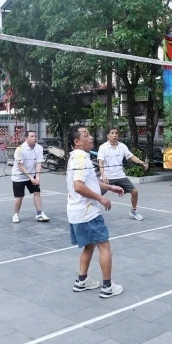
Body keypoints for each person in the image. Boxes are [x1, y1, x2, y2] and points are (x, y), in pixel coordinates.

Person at [66, 125, 124, 299]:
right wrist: (101, 198)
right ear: (77, 141)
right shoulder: (81, 158)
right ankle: (107, 286)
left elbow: (90, 181)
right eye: (86, 135)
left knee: (89, 245)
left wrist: (110, 187)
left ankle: (81, 281)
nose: (90, 137)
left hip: (76, 211)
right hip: (87, 212)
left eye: (90, 134)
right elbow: (79, 186)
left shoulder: (76, 157)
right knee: (104, 246)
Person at [98, 129, 149, 221]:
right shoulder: (103, 147)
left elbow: (132, 157)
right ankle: (89, 212)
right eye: (112, 133)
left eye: (116, 133)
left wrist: (142, 163)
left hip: (120, 176)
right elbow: (101, 163)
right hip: (107, 177)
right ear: (107, 135)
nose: (114, 135)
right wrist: (103, 175)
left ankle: (134, 211)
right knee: (95, 195)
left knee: (135, 192)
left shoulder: (122, 146)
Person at [11, 130, 50, 223]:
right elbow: (21, 166)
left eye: (35, 136)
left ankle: (40, 214)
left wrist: (37, 177)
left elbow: (38, 163)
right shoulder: (20, 149)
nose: (34, 138)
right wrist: (31, 178)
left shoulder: (39, 148)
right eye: (32, 136)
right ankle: (16, 214)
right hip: (19, 176)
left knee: (37, 193)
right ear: (25, 138)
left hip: (32, 174)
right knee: (19, 197)